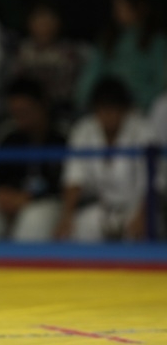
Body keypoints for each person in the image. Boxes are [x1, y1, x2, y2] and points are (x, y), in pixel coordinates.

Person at [56, 76, 154, 242]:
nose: (108, 115)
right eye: (103, 109)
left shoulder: (143, 131)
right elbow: (74, 177)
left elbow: (155, 182)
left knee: (138, 236)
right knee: (76, 229)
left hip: (138, 209)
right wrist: (67, 217)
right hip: (101, 209)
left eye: (113, 109)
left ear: (124, 109)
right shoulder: (84, 130)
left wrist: (143, 215)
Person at [0, 77, 66, 242]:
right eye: (15, 113)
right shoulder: (7, 134)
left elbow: (67, 183)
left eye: (25, 112)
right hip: (7, 202)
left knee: (33, 218)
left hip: (45, 202)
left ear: (42, 106)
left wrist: (28, 197)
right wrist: (1, 194)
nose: (20, 118)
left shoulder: (61, 136)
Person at [73, 0, 167, 114]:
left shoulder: (157, 42)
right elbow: (91, 74)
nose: (116, 11)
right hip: (107, 107)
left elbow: (161, 81)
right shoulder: (108, 39)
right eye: (115, 5)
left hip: (142, 109)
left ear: (141, 7)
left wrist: (139, 104)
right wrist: (84, 100)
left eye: (122, 4)